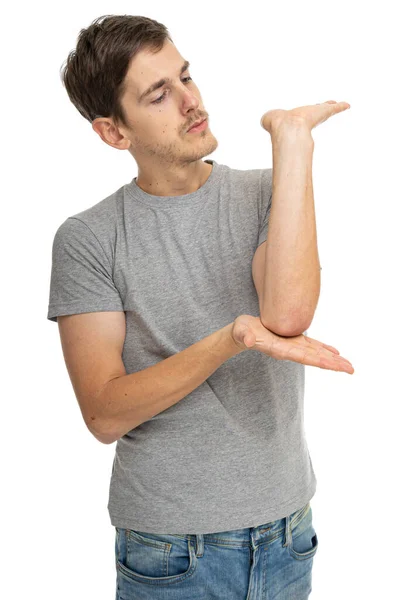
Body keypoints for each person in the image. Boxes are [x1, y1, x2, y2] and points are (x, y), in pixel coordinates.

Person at [47, 14, 353, 599]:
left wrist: (294, 144)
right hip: (170, 551)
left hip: (289, 531)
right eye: (159, 94)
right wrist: (229, 337)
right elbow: (104, 414)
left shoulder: (268, 190)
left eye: (186, 77)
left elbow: (286, 316)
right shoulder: (89, 239)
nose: (191, 102)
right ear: (115, 133)